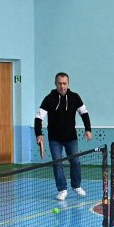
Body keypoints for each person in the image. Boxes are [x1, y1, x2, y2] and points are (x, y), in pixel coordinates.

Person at [35, 72, 93, 201]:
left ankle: (76, 186)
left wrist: (88, 129)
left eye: (64, 83)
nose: (62, 86)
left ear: (68, 84)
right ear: (55, 84)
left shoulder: (74, 97)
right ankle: (62, 189)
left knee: (75, 162)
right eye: (60, 83)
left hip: (71, 138)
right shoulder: (49, 99)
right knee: (57, 164)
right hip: (54, 139)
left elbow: (84, 113)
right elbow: (39, 117)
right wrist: (38, 134)